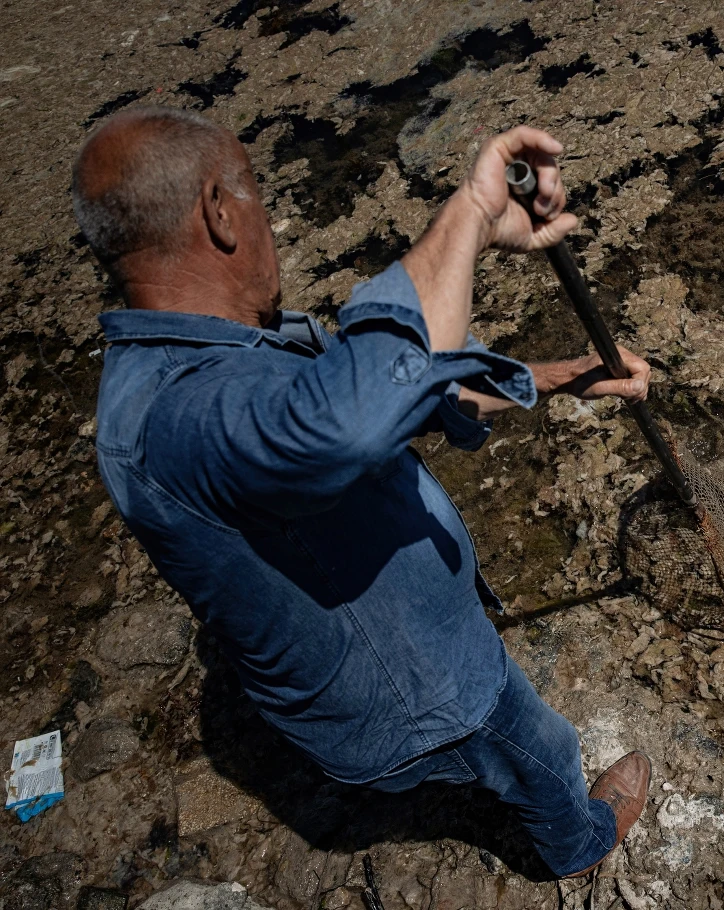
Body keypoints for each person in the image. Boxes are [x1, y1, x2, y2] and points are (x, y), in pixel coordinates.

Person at [72, 107, 651, 879]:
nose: (265, 218)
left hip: (379, 683)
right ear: (218, 210)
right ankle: (576, 844)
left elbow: (372, 397)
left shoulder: (208, 348)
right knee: (540, 750)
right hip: (421, 688)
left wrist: (552, 379)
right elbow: (342, 425)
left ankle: (481, 786)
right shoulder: (174, 413)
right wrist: (471, 212)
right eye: (256, 193)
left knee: (490, 755)